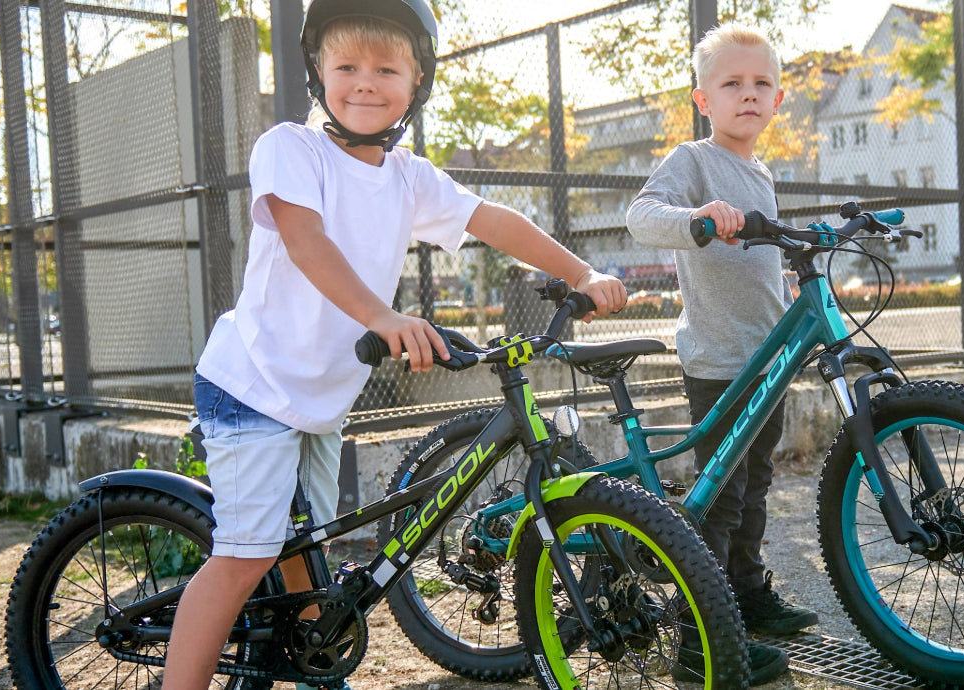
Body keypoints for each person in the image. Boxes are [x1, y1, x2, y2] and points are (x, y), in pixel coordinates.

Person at [160, 1, 625, 688]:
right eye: (346, 65)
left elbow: (491, 219)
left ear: (417, 82)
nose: (365, 83)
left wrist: (581, 271)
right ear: (318, 72)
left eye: (386, 68)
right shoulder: (291, 148)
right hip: (254, 385)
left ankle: (314, 662)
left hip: (318, 398)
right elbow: (306, 242)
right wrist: (383, 317)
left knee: (306, 546)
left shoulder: (408, 176)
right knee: (246, 553)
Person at [626, 21, 819, 683]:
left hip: (767, 358)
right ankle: (696, 634)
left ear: (778, 98)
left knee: (755, 485)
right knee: (719, 497)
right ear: (703, 99)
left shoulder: (761, 170)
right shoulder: (695, 160)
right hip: (719, 359)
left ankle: (746, 593)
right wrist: (698, 219)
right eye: (731, 83)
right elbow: (641, 215)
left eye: (761, 83)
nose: (748, 94)